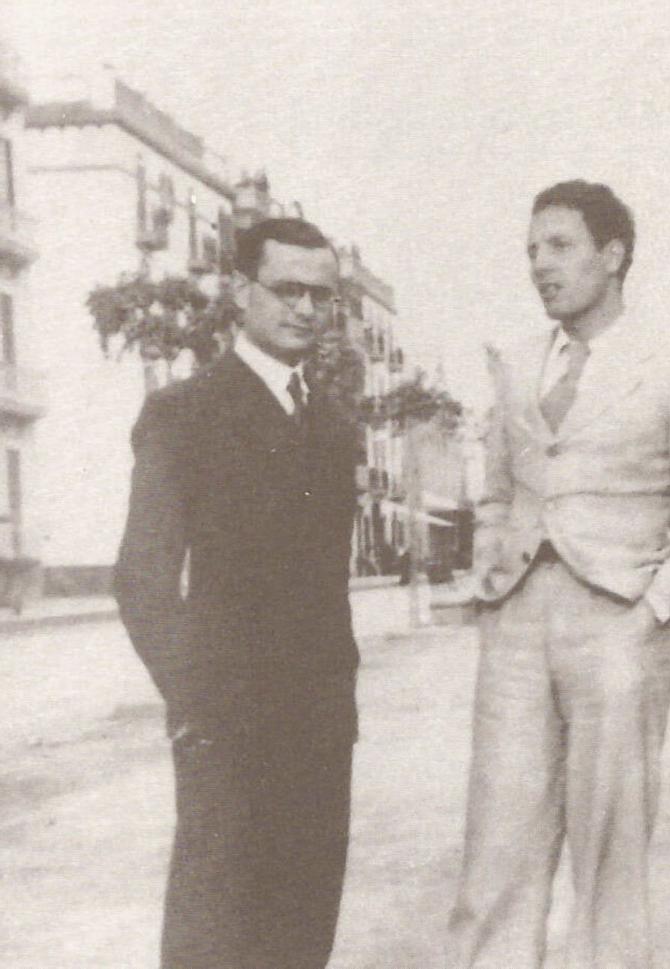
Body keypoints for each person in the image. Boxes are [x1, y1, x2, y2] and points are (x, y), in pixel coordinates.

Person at [448, 180, 670, 969]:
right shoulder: (515, 364)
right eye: (532, 250)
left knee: (611, 854)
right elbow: (500, 493)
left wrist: (648, 616)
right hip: (515, 624)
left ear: (612, 256)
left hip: (619, 624)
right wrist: (490, 578)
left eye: (560, 246)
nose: (541, 265)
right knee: (496, 844)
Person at [114, 218, 359, 969]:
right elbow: (141, 575)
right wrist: (194, 703)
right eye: (287, 289)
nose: (306, 309)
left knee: (304, 928)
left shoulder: (334, 425)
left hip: (319, 721)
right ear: (240, 290)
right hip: (228, 727)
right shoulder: (184, 413)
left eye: (321, 294)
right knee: (215, 934)